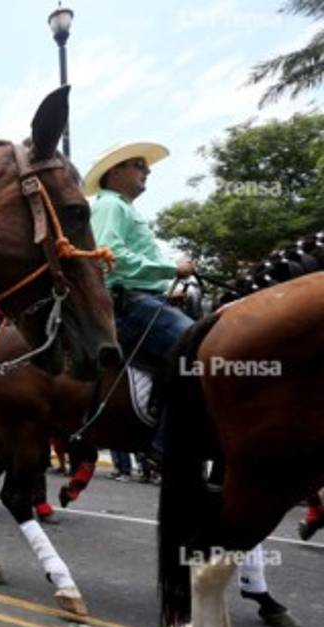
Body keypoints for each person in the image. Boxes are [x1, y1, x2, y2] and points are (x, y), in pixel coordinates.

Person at [85, 143, 195, 460]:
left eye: (146, 167)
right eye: (139, 165)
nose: (147, 171)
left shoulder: (123, 208)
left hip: (142, 298)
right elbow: (110, 256)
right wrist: (170, 269)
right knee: (198, 349)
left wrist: (164, 286)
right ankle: (169, 446)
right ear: (114, 171)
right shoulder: (111, 205)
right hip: (129, 304)